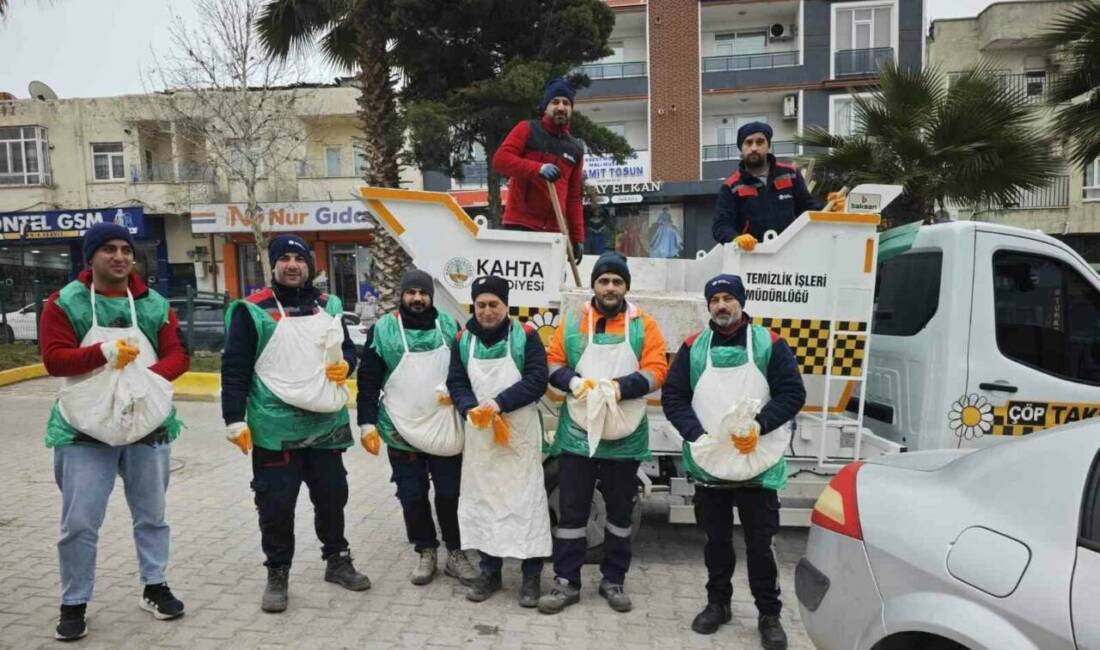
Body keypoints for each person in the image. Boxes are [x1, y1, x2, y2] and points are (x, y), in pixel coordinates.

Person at [39, 222, 190, 640]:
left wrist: (145, 383)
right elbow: (55, 360)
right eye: (108, 249)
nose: (120, 257)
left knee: (152, 515)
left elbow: (180, 354)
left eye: (126, 249)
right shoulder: (64, 303)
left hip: (146, 424)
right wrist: (105, 353)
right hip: (84, 429)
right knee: (80, 522)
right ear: (90, 256)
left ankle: (154, 585)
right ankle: (74, 601)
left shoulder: (154, 303)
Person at [220, 234, 370, 614]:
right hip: (275, 427)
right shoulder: (251, 311)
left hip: (326, 426)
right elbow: (234, 370)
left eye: (299, 259)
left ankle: (336, 560)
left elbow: (347, 349)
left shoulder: (328, 305)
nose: (292, 265)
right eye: (284, 258)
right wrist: (234, 419)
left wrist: (347, 365)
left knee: (333, 497)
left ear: (310, 266)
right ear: (272, 266)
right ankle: (278, 571)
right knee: (276, 504)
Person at [660, 274, 806, 649]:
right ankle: (718, 604)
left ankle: (769, 614)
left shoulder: (769, 344)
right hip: (711, 463)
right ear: (708, 306)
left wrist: (759, 426)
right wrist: (697, 436)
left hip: (759, 460)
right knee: (716, 541)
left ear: (741, 302)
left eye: (728, 298)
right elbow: (674, 398)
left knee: (761, 544)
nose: (721, 305)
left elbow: (792, 393)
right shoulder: (693, 347)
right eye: (715, 300)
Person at [538, 251, 669, 615]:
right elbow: (553, 360)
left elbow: (658, 368)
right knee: (572, 512)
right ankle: (566, 581)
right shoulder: (573, 321)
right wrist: (573, 382)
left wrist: (620, 388)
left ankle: (614, 580)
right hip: (578, 433)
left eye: (617, 281)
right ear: (594, 285)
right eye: (603, 280)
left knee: (620, 514)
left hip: (625, 435)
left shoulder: (644, 324)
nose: (610, 287)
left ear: (625, 286)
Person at [356, 269, 480, 586]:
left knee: (450, 493)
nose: (417, 298)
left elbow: (466, 371)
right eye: (411, 292)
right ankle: (425, 551)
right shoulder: (384, 330)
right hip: (401, 428)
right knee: (412, 495)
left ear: (431, 296)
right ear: (402, 295)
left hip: (444, 429)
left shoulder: (448, 326)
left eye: (422, 293)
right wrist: (366, 423)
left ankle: (455, 553)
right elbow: (368, 380)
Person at [445, 275, 551, 607]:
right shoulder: (463, 340)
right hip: (481, 439)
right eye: (481, 305)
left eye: (494, 305)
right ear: (473, 306)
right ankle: (490, 572)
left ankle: (531, 577)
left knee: (526, 505)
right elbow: (456, 381)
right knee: (485, 504)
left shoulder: (526, 336)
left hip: (517, 437)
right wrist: (468, 408)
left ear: (506, 306)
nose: (487, 311)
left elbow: (537, 379)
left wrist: (499, 404)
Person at [492, 76, 586, 261]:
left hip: (554, 231)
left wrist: (577, 237)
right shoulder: (527, 129)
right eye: (555, 102)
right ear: (545, 106)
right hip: (519, 225)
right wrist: (537, 169)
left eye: (566, 103)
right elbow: (500, 160)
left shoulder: (575, 148)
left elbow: (574, 197)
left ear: (571, 109)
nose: (561, 107)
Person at [711, 121, 822, 249]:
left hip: (790, 252)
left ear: (768, 145)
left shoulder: (790, 174)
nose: (754, 148)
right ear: (741, 149)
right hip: (752, 256)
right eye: (748, 142)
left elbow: (807, 208)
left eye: (760, 142)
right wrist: (735, 238)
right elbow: (721, 225)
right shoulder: (731, 186)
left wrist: (833, 208)